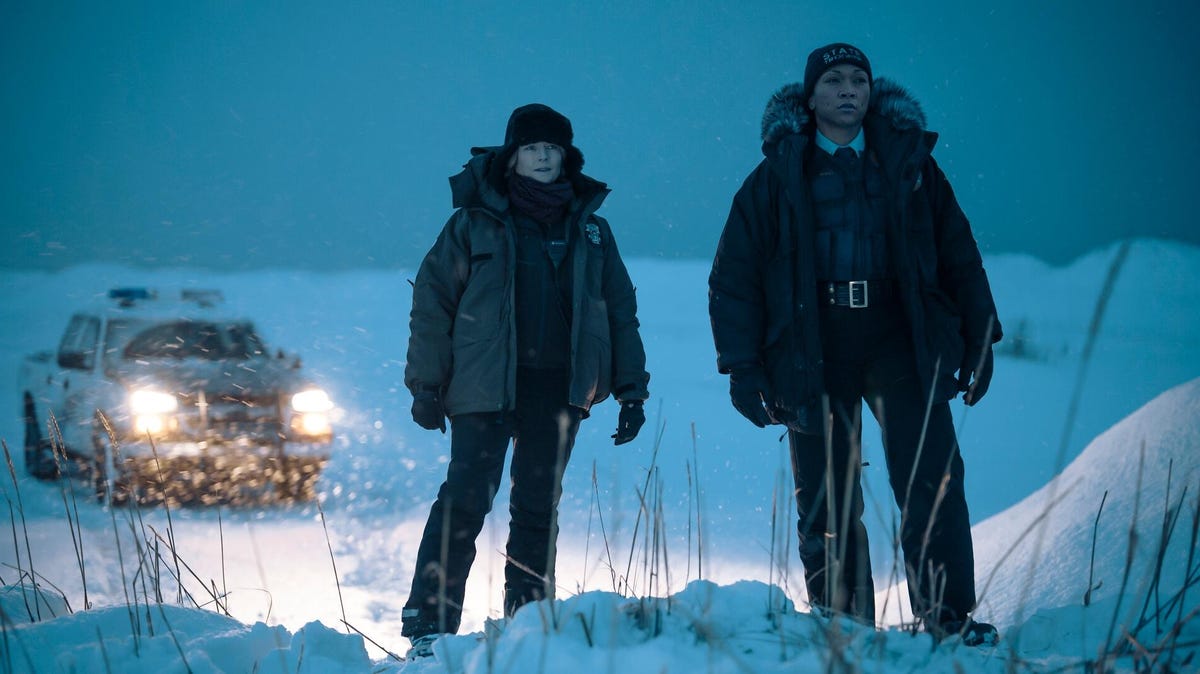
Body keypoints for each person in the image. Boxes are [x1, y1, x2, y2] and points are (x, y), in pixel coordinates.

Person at [708, 43, 1002, 646]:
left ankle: (949, 621)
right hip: (816, 344)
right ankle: (847, 628)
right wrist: (742, 366)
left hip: (900, 338)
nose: (848, 90)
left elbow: (958, 253)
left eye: (858, 80)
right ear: (810, 96)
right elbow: (734, 275)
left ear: (871, 92)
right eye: (835, 80)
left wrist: (981, 336)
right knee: (826, 493)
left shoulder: (909, 164)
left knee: (932, 479)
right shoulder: (778, 175)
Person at [401, 103, 651, 657]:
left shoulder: (590, 231)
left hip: (559, 389)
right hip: (482, 387)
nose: (543, 156)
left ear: (567, 157)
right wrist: (425, 384)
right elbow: (432, 302)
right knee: (464, 501)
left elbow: (618, 310)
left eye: (553, 148)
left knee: (537, 508)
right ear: (512, 156)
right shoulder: (474, 222)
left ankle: (528, 630)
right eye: (533, 147)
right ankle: (427, 629)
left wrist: (631, 389)